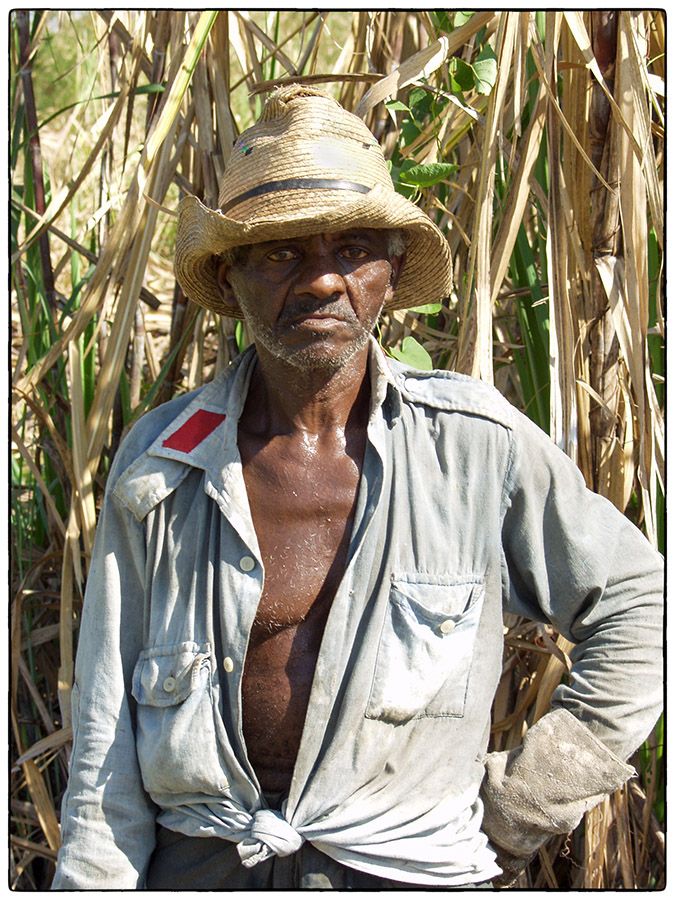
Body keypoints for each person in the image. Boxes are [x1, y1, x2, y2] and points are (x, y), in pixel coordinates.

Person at [52, 85, 662, 890]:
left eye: (351, 250)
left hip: (407, 867)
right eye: (280, 252)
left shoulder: (473, 449)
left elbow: (641, 604)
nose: (320, 282)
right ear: (230, 275)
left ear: (390, 269)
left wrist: (526, 800)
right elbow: (106, 725)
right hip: (202, 864)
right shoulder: (164, 462)